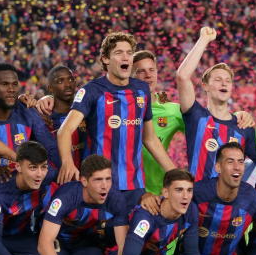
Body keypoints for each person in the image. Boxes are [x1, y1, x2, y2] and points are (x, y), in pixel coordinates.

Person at [56, 31, 175, 213]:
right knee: (105, 236)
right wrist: (67, 162)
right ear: (105, 59)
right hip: (100, 185)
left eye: (129, 53)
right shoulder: (92, 91)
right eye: (119, 53)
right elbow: (65, 130)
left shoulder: (142, 90)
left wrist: (174, 173)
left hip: (134, 186)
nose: (125, 57)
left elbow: (150, 139)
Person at [175, 27, 256, 182]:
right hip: (198, 201)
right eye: (218, 80)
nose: (223, 83)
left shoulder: (243, 127)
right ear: (205, 86)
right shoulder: (196, 116)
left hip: (230, 203)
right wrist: (203, 40)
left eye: (227, 81)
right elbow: (182, 76)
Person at [38, 155, 129, 255]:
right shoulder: (66, 197)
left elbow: (123, 245)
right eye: (98, 180)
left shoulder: (116, 200)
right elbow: (44, 243)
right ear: (84, 181)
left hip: (86, 240)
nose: (104, 186)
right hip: (59, 240)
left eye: (108, 179)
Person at [0, 141, 58, 255]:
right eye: (33, 168)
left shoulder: (47, 176)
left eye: (44, 167)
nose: (39, 174)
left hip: (23, 238)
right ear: (18, 166)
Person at [133, 51, 184, 196]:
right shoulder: (121, 109)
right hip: (127, 192)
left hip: (158, 193)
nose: (148, 75)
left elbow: (205, 127)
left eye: (151, 70)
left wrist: (237, 115)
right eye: (140, 71)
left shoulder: (172, 111)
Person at [44, 65, 87, 169]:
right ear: (50, 87)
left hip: (87, 178)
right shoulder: (44, 119)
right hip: (58, 180)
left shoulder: (85, 111)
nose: (68, 84)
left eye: (71, 79)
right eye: (60, 81)